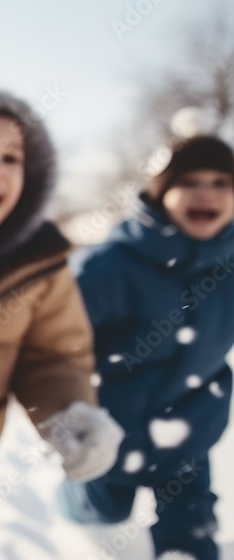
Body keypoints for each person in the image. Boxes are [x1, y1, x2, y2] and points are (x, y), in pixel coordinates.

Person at [0, 90, 123, 560]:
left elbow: (54, 355)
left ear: (29, 178)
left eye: (10, 157)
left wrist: (69, 411)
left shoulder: (42, 264)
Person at [63, 135, 234, 560]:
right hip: (112, 435)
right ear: (161, 192)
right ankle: (73, 500)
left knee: (192, 540)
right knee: (104, 514)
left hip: (191, 432)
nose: (206, 193)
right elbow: (57, 348)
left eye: (221, 182)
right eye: (190, 181)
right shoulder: (111, 266)